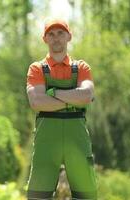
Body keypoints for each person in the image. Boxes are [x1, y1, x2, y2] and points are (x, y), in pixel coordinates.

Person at [26, 19, 97, 200]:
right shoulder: (37, 69)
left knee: (87, 195)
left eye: (60, 33)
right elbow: (36, 102)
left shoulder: (82, 67)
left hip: (78, 139)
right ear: (45, 39)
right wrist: (74, 100)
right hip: (46, 141)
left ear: (69, 37)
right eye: (51, 34)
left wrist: (53, 92)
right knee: (37, 196)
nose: (56, 38)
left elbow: (87, 95)